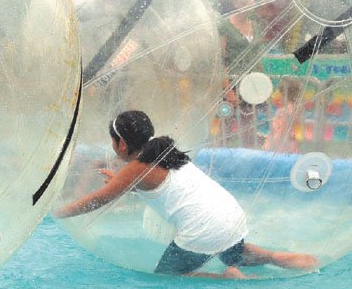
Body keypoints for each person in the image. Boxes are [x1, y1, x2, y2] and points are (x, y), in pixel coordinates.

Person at [54, 110, 319, 278]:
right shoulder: (164, 151)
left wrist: (58, 212)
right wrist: (120, 182)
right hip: (228, 214)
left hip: (203, 228)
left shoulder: (136, 168)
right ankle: (291, 259)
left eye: (113, 141)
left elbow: (98, 199)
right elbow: (159, 186)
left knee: (167, 276)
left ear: (121, 143)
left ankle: (226, 279)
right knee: (235, 255)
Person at [263, 77, 302, 153]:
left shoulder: (284, 111)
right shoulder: (297, 107)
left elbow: (281, 131)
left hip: (281, 145)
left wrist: (270, 144)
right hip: (290, 143)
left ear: (283, 94)